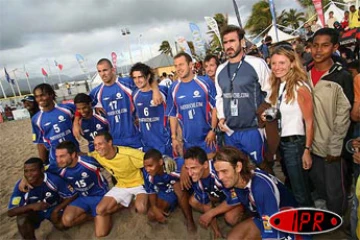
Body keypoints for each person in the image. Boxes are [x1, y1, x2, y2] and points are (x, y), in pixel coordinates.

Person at [307, 28, 354, 215]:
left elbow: (344, 116)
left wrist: (336, 147)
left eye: (325, 46)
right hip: (311, 145)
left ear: (335, 47)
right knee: (320, 186)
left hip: (332, 146)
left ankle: (340, 220)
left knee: (336, 190)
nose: (318, 51)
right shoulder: (304, 74)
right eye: (315, 46)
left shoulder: (342, 77)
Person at [263, 43, 314, 207]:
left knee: (300, 189)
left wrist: (307, 150)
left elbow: (310, 121)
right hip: (283, 144)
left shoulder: (300, 87)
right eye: (274, 63)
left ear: (292, 63)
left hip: (296, 144)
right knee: (293, 185)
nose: (277, 67)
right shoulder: (279, 85)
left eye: (282, 63)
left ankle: (308, 227)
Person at [73, 58, 163, 149]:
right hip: (115, 139)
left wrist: (155, 89)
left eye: (105, 70)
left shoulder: (127, 83)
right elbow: (82, 104)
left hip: (134, 136)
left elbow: (150, 77)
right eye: (99, 71)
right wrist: (76, 122)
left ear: (113, 70)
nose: (102, 74)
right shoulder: (96, 92)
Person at [212, 146, 298, 240]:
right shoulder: (238, 180)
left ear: (238, 167)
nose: (220, 177)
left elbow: (271, 228)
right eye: (218, 172)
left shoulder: (260, 187)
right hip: (264, 216)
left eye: (224, 171)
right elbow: (232, 200)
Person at [215, 25, 271, 166]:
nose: (229, 45)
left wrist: (267, 117)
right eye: (225, 42)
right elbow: (219, 96)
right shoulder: (220, 70)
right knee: (237, 174)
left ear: (242, 42)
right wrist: (221, 116)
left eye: (232, 41)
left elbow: (271, 92)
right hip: (230, 132)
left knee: (261, 170)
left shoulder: (257, 63)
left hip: (253, 130)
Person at [8, 158, 76, 239]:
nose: (29, 174)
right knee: (22, 220)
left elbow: (72, 195)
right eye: (26, 171)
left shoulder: (53, 180)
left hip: (53, 208)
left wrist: (57, 209)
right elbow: (11, 212)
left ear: (42, 170)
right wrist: (32, 206)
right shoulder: (21, 186)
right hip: (35, 213)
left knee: (62, 225)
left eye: (33, 170)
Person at [166, 52, 218, 158]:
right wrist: (174, 137)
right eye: (176, 66)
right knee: (192, 171)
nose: (178, 68)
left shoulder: (205, 82)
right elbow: (172, 114)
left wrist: (213, 130)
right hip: (187, 142)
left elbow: (215, 108)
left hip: (207, 139)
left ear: (190, 65)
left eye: (181, 64)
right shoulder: (173, 88)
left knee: (210, 170)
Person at [184, 146, 243, 238]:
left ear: (205, 165)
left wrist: (211, 213)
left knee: (230, 217)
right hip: (222, 195)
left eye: (193, 168)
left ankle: (245, 218)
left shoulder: (219, 173)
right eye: (187, 168)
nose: (190, 173)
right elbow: (206, 204)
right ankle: (220, 213)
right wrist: (216, 230)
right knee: (194, 201)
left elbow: (236, 197)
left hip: (241, 194)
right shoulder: (198, 178)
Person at [55, 141, 111, 237]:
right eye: (57, 156)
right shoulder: (59, 167)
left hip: (99, 196)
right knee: (66, 221)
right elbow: (41, 170)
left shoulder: (89, 162)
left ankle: (108, 210)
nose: (58, 160)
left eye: (62, 156)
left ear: (73, 155)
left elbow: (110, 164)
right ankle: (92, 216)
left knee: (101, 233)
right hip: (81, 198)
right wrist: (25, 181)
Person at [88, 132, 148, 217]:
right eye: (95, 145)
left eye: (100, 144)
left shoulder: (128, 153)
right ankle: (127, 203)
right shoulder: (97, 155)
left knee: (141, 208)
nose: (97, 148)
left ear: (109, 142)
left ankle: (136, 199)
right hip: (121, 185)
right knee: (100, 210)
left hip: (138, 184)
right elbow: (83, 157)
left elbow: (149, 158)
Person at [142, 149, 196, 232]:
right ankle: (177, 204)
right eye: (145, 166)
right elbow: (151, 190)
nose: (147, 169)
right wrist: (154, 207)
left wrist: (184, 167)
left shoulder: (174, 165)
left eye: (150, 166)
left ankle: (189, 220)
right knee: (151, 215)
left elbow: (195, 159)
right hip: (167, 191)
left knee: (177, 186)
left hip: (185, 188)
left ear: (160, 162)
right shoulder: (147, 174)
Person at [32, 83, 79, 172]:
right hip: (56, 161)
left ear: (51, 94)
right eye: (37, 97)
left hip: (75, 154)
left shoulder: (67, 109)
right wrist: (42, 164)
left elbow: (81, 111)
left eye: (42, 95)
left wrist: (76, 122)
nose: (39, 99)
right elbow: (40, 143)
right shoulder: (36, 119)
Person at [130, 63, 172, 156]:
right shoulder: (135, 94)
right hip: (147, 143)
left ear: (148, 76)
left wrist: (155, 89)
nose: (137, 80)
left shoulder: (163, 90)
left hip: (165, 141)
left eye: (140, 77)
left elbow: (174, 113)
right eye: (135, 77)